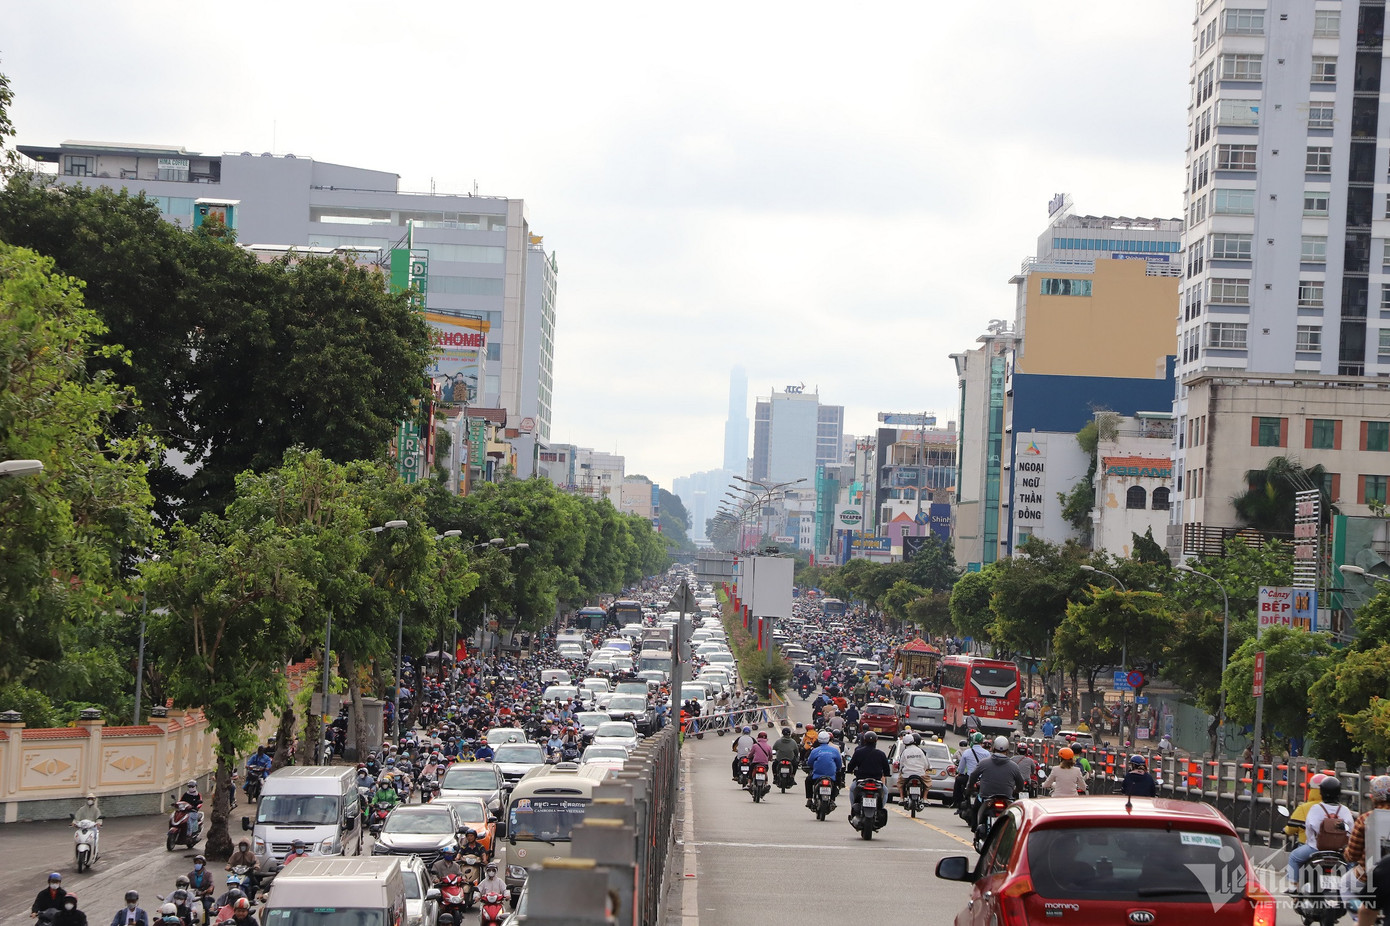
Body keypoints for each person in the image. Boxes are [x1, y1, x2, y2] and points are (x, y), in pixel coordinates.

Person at [1288, 775, 1356, 889]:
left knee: (1294, 857)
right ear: (1339, 793)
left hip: (1315, 848)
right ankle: (1351, 888)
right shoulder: (1345, 810)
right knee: (1352, 864)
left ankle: (1293, 887)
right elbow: (1351, 830)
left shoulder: (1316, 808)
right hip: (1340, 851)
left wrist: (1312, 841)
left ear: (1322, 792)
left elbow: (1309, 828)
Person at [1341, 774, 1390, 924]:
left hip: (1368, 875)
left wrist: (1346, 853)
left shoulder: (1365, 819)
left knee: (1345, 884)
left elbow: (1353, 855)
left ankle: (1360, 919)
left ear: (1374, 796)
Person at [965, 737, 1026, 827]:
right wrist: (1015, 791)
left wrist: (970, 787)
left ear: (993, 748)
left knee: (975, 809)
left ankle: (974, 828)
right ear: (1007, 751)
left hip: (985, 797)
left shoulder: (984, 763)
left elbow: (973, 776)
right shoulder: (1014, 766)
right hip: (1007, 798)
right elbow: (1020, 784)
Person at [845, 730, 892, 825]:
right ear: (876, 740)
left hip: (861, 781)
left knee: (852, 789)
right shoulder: (881, 754)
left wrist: (849, 770)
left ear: (864, 740)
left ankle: (853, 808)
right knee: (885, 791)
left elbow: (851, 765)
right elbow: (887, 769)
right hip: (877, 782)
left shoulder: (858, 752)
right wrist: (887, 774)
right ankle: (880, 808)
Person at [804, 731, 844, 807]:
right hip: (831, 775)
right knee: (836, 783)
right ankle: (832, 800)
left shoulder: (815, 750)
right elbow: (839, 764)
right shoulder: (835, 750)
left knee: (808, 781)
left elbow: (810, 762)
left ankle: (809, 799)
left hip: (817, 775)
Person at [1286, 775, 1329, 847]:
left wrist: (1286, 830)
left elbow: (1291, 828)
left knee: (1294, 854)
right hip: (1333, 846)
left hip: (1308, 845)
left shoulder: (1304, 807)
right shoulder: (1340, 808)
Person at [954, 732, 991, 810]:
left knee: (958, 780)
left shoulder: (967, 752)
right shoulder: (987, 753)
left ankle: (958, 803)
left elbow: (961, 769)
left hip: (969, 778)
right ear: (982, 742)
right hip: (982, 780)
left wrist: (959, 774)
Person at [894, 732, 930, 802]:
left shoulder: (905, 752)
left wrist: (900, 771)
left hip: (907, 774)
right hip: (920, 773)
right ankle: (925, 798)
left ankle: (901, 798)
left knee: (900, 783)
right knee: (928, 783)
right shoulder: (920, 751)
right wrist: (924, 769)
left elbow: (901, 764)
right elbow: (926, 763)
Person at [187, 857, 215, 922]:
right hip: (193, 895)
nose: (197, 864)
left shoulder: (208, 874)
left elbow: (212, 883)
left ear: (203, 864)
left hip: (204, 895)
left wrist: (210, 888)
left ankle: (206, 922)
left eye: (199, 863)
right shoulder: (190, 875)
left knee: (206, 907)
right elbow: (185, 882)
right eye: (196, 863)